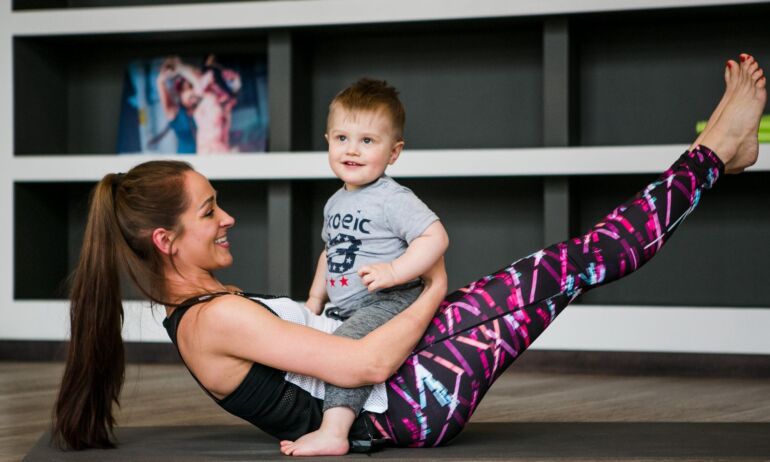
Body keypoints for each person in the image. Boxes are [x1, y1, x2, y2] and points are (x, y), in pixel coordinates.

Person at [52, 54, 764, 455]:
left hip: (407, 369)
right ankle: (710, 156)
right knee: (575, 261)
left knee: (570, 262)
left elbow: (326, 323)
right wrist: (430, 290)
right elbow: (360, 364)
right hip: (414, 400)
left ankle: (714, 156)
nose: (227, 217)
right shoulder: (209, 322)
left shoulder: (206, 308)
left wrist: (405, 289)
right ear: (165, 241)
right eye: (211, 210)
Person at [295, 78, 449, 455]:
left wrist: (395, 271)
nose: (352, 150)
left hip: (390, 300)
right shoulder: (334, 202)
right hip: (347, 305)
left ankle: (335, 431)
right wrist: (314, 299)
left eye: (367, 141)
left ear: (393, 152)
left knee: (347, 350)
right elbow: (330, 251)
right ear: (327, 139)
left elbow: (436, 237)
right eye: (342, 138)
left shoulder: (393, 198)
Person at [155, 55, 241, 154]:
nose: (191, 93)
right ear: (179, 95)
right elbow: (161, 84)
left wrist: (181, 68)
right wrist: (163, 78)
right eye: (185, 90)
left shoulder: (208, 105)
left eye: (192, 88)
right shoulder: (176, 113)